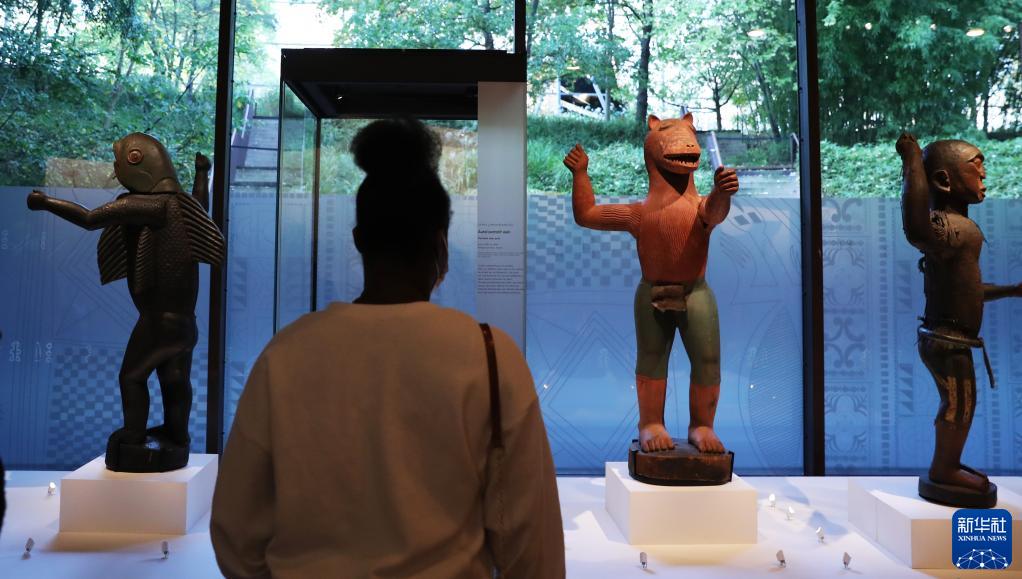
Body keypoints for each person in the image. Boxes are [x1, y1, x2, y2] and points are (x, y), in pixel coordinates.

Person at [211, 118, 565, 578]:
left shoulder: (286, 355)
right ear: (440, 243)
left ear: (359, 240)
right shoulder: (489, 354)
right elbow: (531, 541)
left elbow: (236, 533)